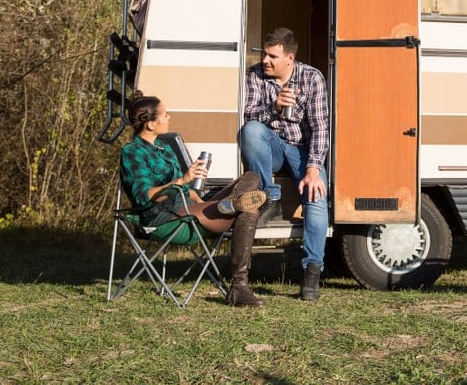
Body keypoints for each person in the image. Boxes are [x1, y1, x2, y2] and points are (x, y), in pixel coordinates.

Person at [121, 91, 268, 307]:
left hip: (188, 207)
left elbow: (185, 189)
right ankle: (239, 287)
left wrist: (196, 195)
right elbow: (145, 196)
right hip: (163, 216)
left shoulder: (165, 148)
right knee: (250, 210)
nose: (169, 117)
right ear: (151, 124)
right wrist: (182, 180)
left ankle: (231, 203)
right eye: (165, 114)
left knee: (252, 177)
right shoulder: (132, 152)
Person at [238, 27, 329, 301]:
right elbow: (248, 115)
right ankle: (270, 196)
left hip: (303, 151)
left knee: (316, 196)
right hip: (273, 146)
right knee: (251, 131)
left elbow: (321, 127)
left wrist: (313, 169)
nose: (265, 60)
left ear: (290, 58)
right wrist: (274, 108)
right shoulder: (255, 75)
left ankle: (312, 272)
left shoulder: (312, 78)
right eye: (265, 54)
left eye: (272, 56)